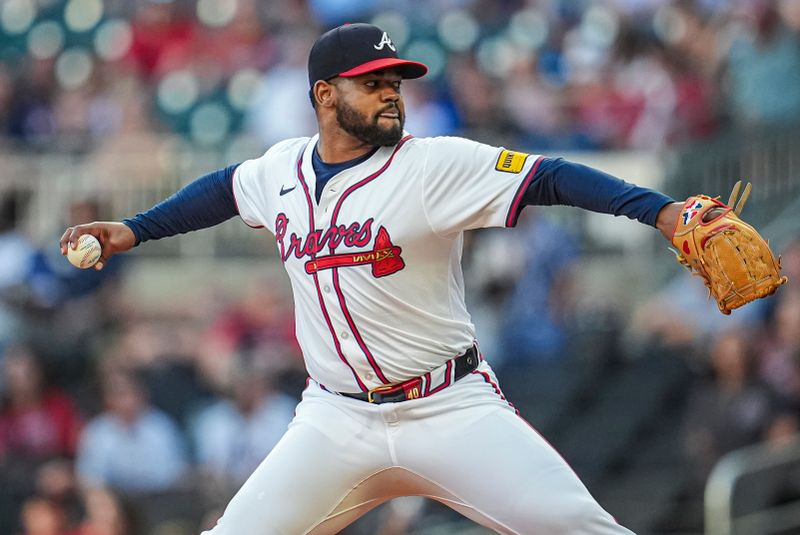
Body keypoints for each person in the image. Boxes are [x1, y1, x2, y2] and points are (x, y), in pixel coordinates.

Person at [61, 23, 687, 534]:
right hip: (335, 421)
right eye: (372, 83)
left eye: (396, 82)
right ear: (325, 95)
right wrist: (133, 230)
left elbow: (548, 176)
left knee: (584, 530)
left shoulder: (433, 165)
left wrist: (660, 211)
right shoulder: (281, 170)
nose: (392, 93)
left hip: (449, 407)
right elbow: (224, 189)